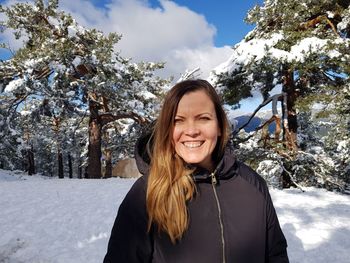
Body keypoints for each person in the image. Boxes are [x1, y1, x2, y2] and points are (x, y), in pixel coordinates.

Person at [104, 79, 289, 263]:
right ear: (168, 130)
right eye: (178, 121)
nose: (191, 131)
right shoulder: (147, 192)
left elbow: (275, 255)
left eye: (203, 118)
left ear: (219, 126)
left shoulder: (252, 184)